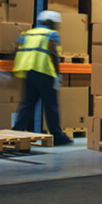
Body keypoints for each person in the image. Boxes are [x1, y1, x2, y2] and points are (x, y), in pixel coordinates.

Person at [11, 10, 72, 146]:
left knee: (27, 103)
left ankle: (17, 132)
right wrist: (57, 74)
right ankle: (57, 136)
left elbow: (17, 48)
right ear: (52, 23)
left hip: (28, 71)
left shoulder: (28, 33)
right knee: (51, 105)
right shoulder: (52, 34)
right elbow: (53, 52)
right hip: (44, 72)